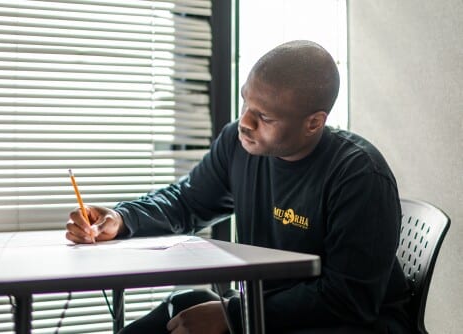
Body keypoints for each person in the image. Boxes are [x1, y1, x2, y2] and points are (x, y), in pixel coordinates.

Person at [66, 40, 414, 334]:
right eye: (246, 102)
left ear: (313, 123)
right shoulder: (239, 145)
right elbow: (187, 202)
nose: (244, 122)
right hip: (265, 312)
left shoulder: (358, 176)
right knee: (177, 310)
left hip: (350, 325)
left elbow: (347, 300)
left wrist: (233, 317)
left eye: (264, 117)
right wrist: (121, 218)